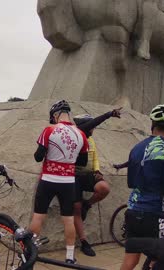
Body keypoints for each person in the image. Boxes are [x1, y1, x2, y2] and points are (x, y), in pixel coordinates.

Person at [120, 104, 164, 270]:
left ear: (152, 124)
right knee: (160, 260)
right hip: (154, 214)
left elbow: (131, 182)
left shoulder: (136, 148)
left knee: (130, 260)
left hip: (133, 211)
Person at [29, 100, 89, 264]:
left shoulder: (49, 130)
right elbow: (83, 163)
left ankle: (29, 252)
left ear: (55, 115)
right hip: (68, 181)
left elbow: (37, 157)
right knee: (68, 219)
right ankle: (70, 256)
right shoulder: (81, 134)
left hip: (48, 179)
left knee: (38, 216)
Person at [72, 109, 121, 257]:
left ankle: (88, 204)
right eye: (91, 125)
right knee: (76, 208)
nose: (93, 128)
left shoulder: (91, 139)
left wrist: (97, 170)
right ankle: (84, 241)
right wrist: (108, 114)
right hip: (74, 175)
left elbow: (95, 157)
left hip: (89, 174)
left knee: (104, 188)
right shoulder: (75, 137)